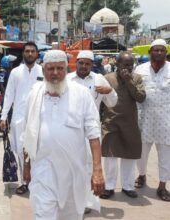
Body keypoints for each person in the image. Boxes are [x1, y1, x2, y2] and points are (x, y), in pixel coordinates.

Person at [22, 50, 105, 220]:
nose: (55, 74)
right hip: (43, 170)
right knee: (43, 214)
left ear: (66, 69)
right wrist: (27, 166)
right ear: (43, 70)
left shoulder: (81, 94)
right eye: (50, 69)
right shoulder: (34, 94)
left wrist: (97, 171)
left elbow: (94, 133)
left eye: (59, 68)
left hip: (74, 172)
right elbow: (27, 133)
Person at [67, 50, 117, 213]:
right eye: (81, 62)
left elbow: (112, 103)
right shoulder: (68, 79)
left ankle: (86, 203)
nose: (83, 66)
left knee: (90, 166)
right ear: (77, 63)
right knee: (71, 164)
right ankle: (71, 199)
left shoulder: (99, 79)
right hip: (70, 129)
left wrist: (109, 91)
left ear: (92, 65)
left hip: (91, 131)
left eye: (87, 63)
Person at [100, 52, 146, 199]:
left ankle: (128, 186)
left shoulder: (136, 78)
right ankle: (109, 187)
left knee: (129, 156)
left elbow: (141, 98)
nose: (129, 68)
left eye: (131, 65)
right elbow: (100, 101)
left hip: (130, 123)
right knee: (110, 157)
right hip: (111, 122)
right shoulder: (107, 78)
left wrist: (129, 81)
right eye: (125, 65)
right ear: (117, 64)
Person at [0, 42, 43, 195]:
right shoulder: (15, 72)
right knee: (19, 150)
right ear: (23, 54)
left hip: (39, 117)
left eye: (32, 51)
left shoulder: (43, 71)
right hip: (18, 119)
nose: (30, 54)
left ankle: (37, 181)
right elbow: (9, 95)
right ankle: (25, 182)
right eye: (27, 51)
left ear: (37, 54)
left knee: (37, 151)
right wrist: (3, 116)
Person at [135, 39, 170, 202]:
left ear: (166, 53)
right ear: (150, 53)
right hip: (144, 119)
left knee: (165, 155)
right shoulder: (140, 69)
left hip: (166, 120)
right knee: (141, 153)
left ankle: (162, 186)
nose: (159, 53)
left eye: (162, 50)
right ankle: (142, 176)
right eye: (156, 50)